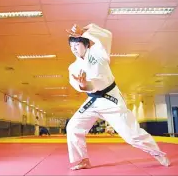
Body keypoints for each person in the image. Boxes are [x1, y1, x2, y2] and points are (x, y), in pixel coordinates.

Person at [65, 23, 170, 171]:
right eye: (71, 46)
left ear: (86, 44)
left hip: (110, 98)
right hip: (92, 100)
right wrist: (83, 85)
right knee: (73, 127)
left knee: (131, 136)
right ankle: (83, 160)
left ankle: (158, 153)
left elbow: (106, 36)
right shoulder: (73, 68)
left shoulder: (98, 52)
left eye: (76, 44)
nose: (74, 48)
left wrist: (84, 31)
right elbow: (83, 87)